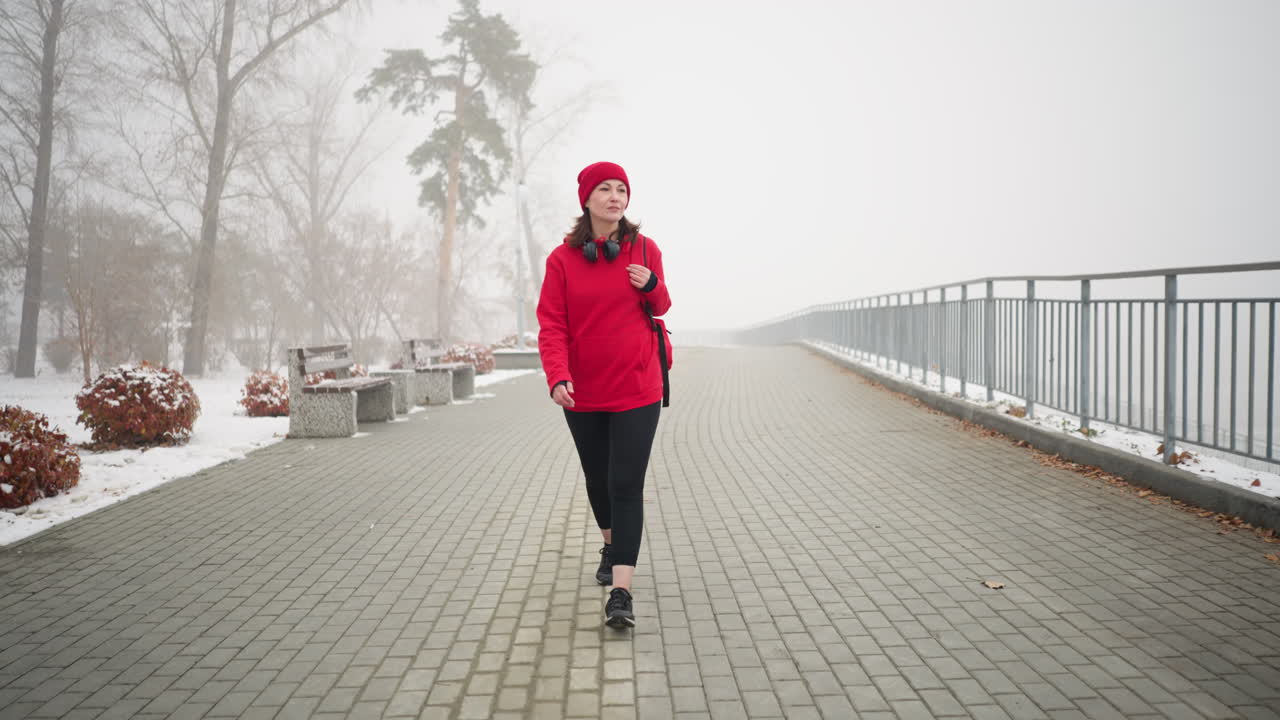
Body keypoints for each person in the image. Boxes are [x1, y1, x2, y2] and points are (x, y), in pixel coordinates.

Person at [536, 161, 671, 629]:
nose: (615, 197)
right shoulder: (562, 260)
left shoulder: (643, 248)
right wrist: (557, 375)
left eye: (622, 189)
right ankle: (611, 544)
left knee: (625, 484)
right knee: (597, 478)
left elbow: (662, 304)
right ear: (587, 199)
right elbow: (552, 323)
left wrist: (651, 284)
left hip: (638, 384)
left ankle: (621, 592)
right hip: (585, 390)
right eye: (605, 189)